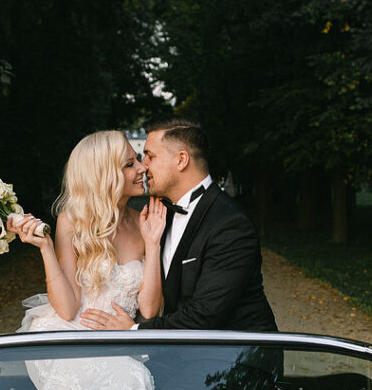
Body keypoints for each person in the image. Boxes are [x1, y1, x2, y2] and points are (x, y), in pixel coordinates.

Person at [0, 130, 166, 390]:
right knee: (121, 378)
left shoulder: (143, 221)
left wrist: (152, 245)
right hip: (71, 330)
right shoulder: (72, 220)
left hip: (120, 337)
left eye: (139, 160)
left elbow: (150, 310)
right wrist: (44, 249)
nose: (141, 169)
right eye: (129, 164)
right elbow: (67, 308)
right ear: (104, 174)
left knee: (134, 378)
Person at [79, 116, 276, 332]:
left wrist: (134, 332)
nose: (143, 167)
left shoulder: (230, 224)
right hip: (183, 350)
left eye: (150, 156)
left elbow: (205, 315)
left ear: (181, 160)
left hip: (233, 355)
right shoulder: (159, 215)